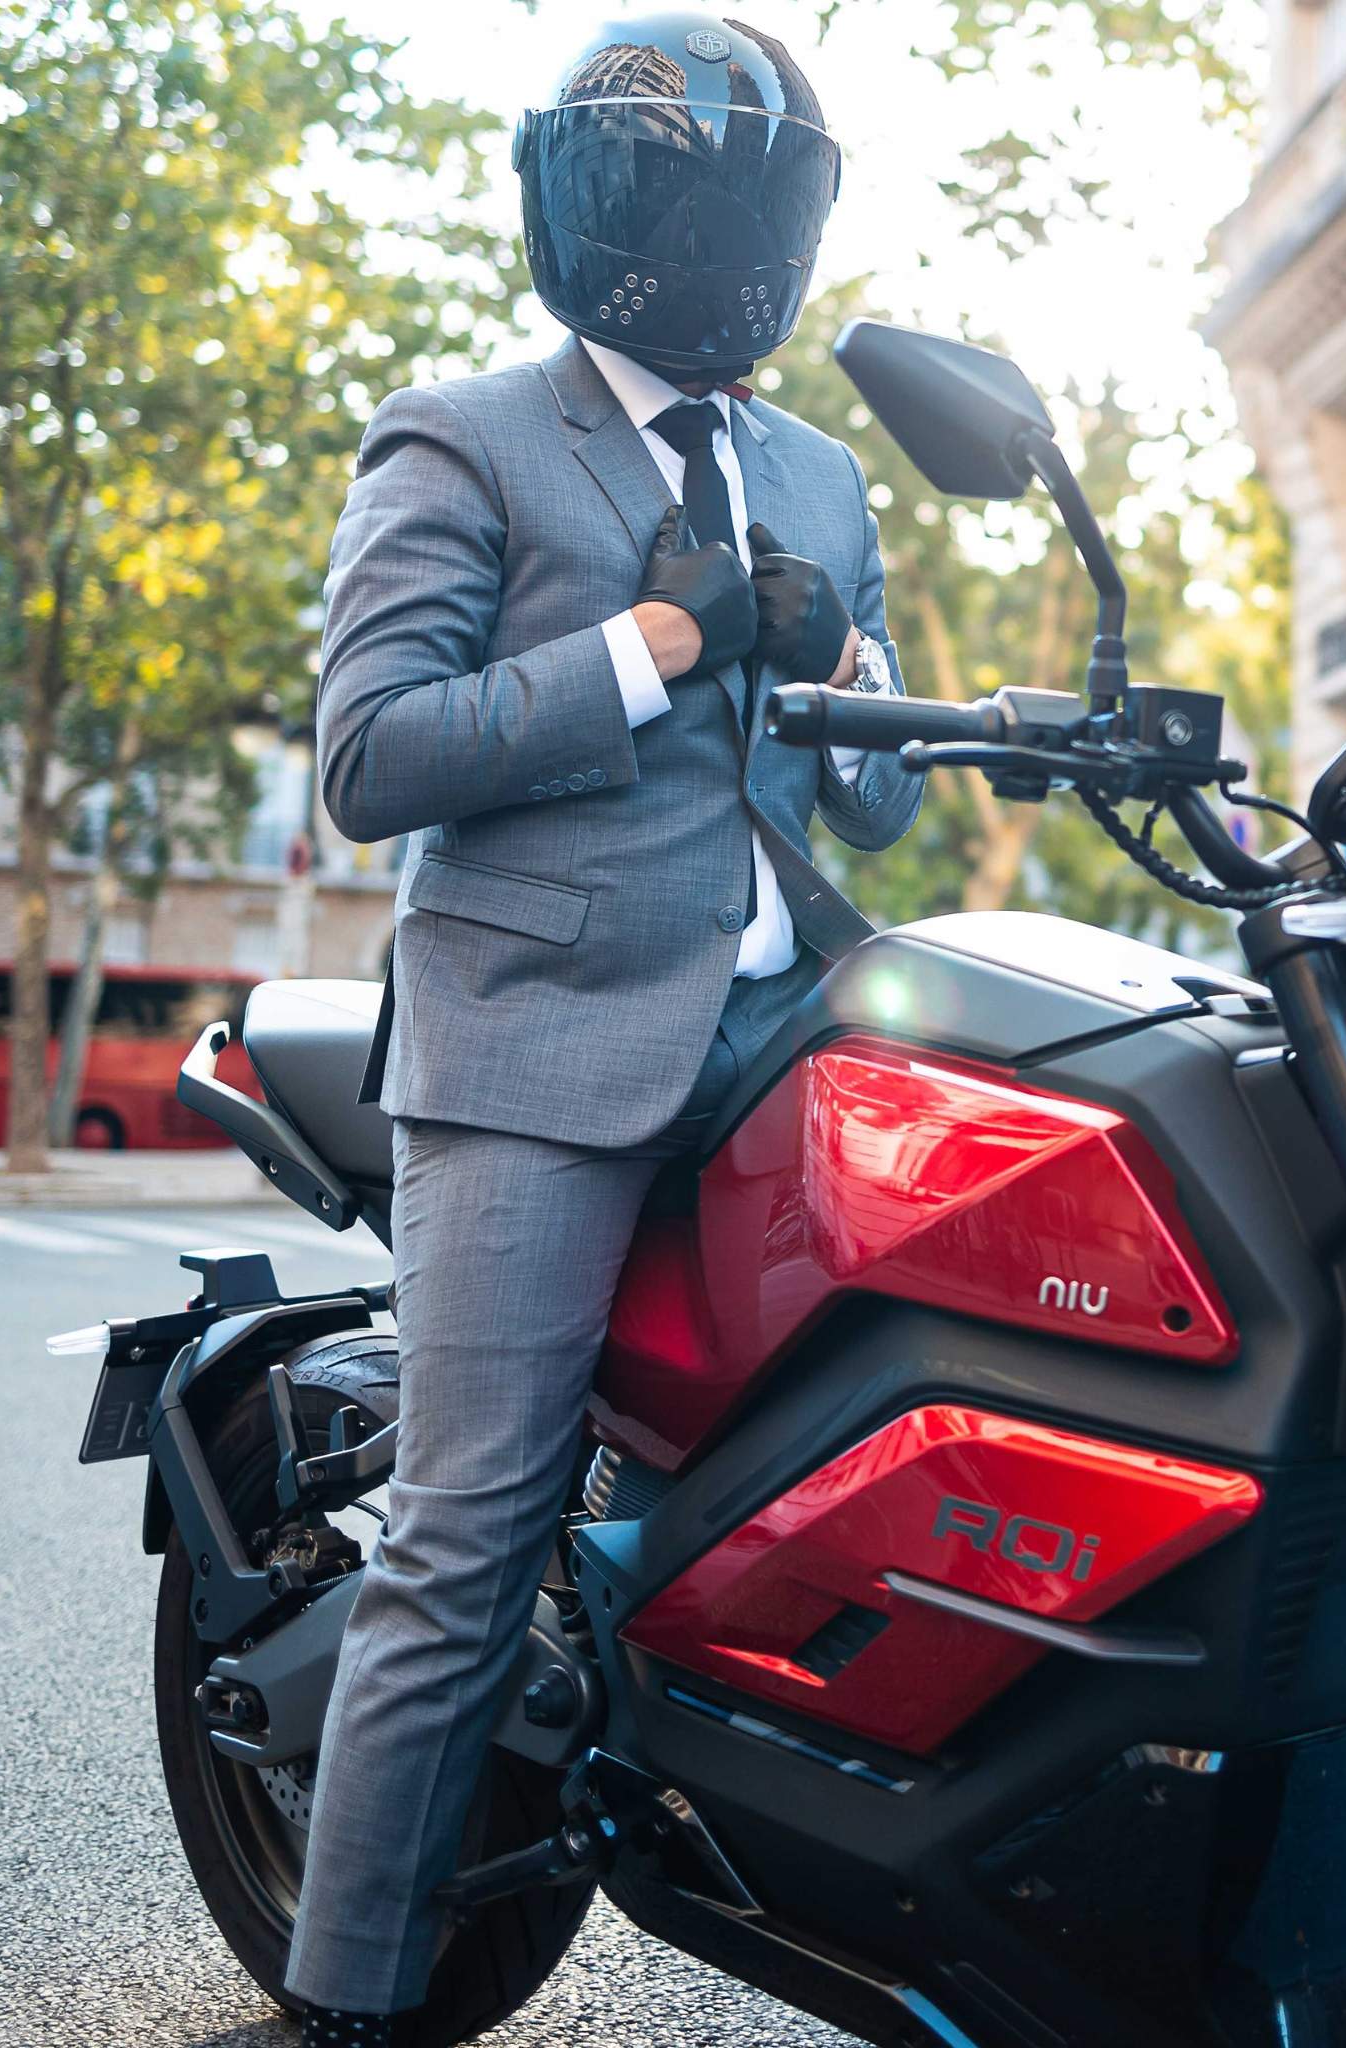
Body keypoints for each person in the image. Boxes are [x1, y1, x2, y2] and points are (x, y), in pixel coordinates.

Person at [283, 14, 922, 2040]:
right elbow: (372, 758)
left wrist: (863, 670)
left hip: (791, 1035)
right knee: (469, 1527)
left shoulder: (820, 467)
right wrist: (647, 649)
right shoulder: (464, 433)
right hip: (541, 1046)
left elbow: (886, 797)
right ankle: (352, 1989)